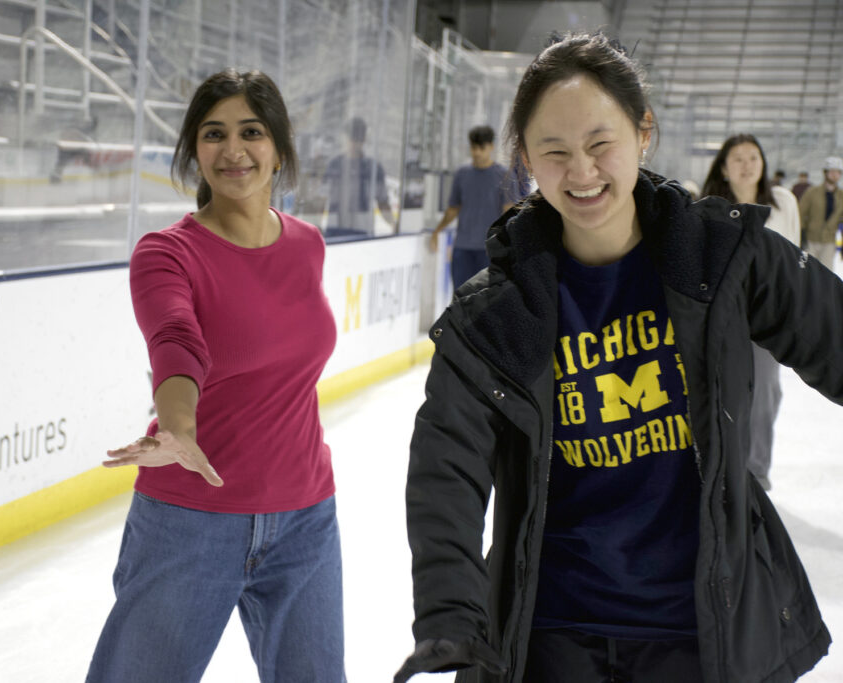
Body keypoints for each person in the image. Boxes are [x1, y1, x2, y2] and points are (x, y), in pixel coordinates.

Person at [395, 32, 842, 683]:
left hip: (700, 629)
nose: (581, 171)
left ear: (643, 133)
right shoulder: (492, 315)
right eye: (555, 150)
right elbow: (446, 465)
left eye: (601, 143)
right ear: (525, 158)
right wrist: (450, 611)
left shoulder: (723, 257)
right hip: (553, 634)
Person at [86, 68, 346, 683]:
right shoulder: (167, 253)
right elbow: (176, 341)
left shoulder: (307, 245)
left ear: (279, 147)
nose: (233, 151)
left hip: (306, 517)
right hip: (190, 523)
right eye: (213, 134)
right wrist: (178, 425)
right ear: (193, 151)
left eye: (251, 132)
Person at [701, 133, 800, 491]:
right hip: (725, 315)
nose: (747, 165)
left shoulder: (783, 201)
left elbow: (795, 255)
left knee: (765, 393)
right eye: (738, 159)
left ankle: (756, 473)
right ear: (724, 168)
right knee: (722, 393)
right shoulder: (710, 206)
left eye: (753, 157)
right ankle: (723, 468)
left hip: (768, 314)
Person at [430, 125, 527, 290]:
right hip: (463, 248)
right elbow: (453, 208)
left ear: (491, 147)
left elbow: (509, 213)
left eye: (481, 148)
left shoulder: (503, 175)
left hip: (490, 251)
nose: (477, 153)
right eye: (474, 148)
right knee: (461, 300)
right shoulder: (462, 174)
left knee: (486, 301)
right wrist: (437, 230)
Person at [322, 116, 393, 239]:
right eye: (351, 137)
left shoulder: (373, 168)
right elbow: (321, 199)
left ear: (364, 139)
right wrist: (314, 224)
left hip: (362, 232)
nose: (354, 142)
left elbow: (383, 202)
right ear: (344, 137)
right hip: (334, 230)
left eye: (358, 138)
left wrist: (394, 225)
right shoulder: (334, 166)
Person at [798, 156, 843, 269]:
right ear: (825, 173)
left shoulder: (841, 196)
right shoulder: (812, 192)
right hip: (810, 240)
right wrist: (801, 237)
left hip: (829, 241)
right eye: (832, 171)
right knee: (806, 270)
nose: (835, 175)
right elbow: (800, 214)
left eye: (838, 172)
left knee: (826, 273)